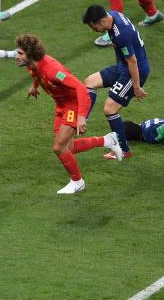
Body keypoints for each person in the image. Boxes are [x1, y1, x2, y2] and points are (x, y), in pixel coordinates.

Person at [16, 34, 123, 194]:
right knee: (68, 147)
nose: (16, 56)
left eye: (20, 53)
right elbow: (37, 74)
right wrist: (35, 86)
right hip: (62, 106)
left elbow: (80, 88)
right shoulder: (32, 65)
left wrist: (81, 117)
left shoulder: (53, 70)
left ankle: (77, 182)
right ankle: (108, 140)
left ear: (30, 55)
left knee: (58, 147)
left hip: (74, 106)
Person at [82, 5, 149, 159]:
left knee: (110, 109)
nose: (95, 30)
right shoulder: (112, 16)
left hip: (134, 71)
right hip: (122, 66)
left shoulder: (122, 35)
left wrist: (136, 87)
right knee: (90, 82)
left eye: (95, 26)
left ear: (103, 20)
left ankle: (124, 150)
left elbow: (133, 62)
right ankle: (83, 120)